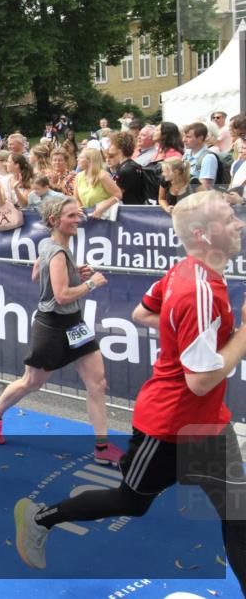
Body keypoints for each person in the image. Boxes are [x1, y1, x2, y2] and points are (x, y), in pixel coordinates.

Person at [13, 191, 246, 590]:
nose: (239, 224)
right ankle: (40, 517)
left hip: (208, 423)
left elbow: (142, 313)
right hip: (169, 427)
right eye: (229, 218)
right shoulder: (197, 288)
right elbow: (200, 379)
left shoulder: (187, 272)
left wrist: (185, 335)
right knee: (131, 502)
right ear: (203, 234)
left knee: (238, 514)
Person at [0, 196, 123, 465]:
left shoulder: (48, 244)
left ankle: (102, 447)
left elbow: (36, 275)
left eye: (78, 215)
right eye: (71, 216)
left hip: (75, 325)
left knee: (97, 384)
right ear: (56, 220)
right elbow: (61, 296)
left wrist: (71, 272)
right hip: (53, 326)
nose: (78, 220)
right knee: (32, 382)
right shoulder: (56, 251)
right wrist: (92, 283)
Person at [74, 148, 122, 218]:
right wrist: (79, 209)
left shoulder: (103, 176)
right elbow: (76, 198)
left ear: (90, 160)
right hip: (87, 219)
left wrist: (101, 208)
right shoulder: (79, 176)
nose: (77, 159)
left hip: (105, 219)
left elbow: (118, 195)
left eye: (80, 157)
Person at [106, 131, 147, 205]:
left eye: (112, 144)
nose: (109, 146)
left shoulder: (126, 169)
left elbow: (116, 195)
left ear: (120, 147)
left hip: (130, 210)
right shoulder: (128, 165)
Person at [183, 122, 219, 190]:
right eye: (184, 136)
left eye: (188, 137)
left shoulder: (208, 158)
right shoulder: (186, 155)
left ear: (200, 138)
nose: (184, 140)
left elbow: (205, 189)